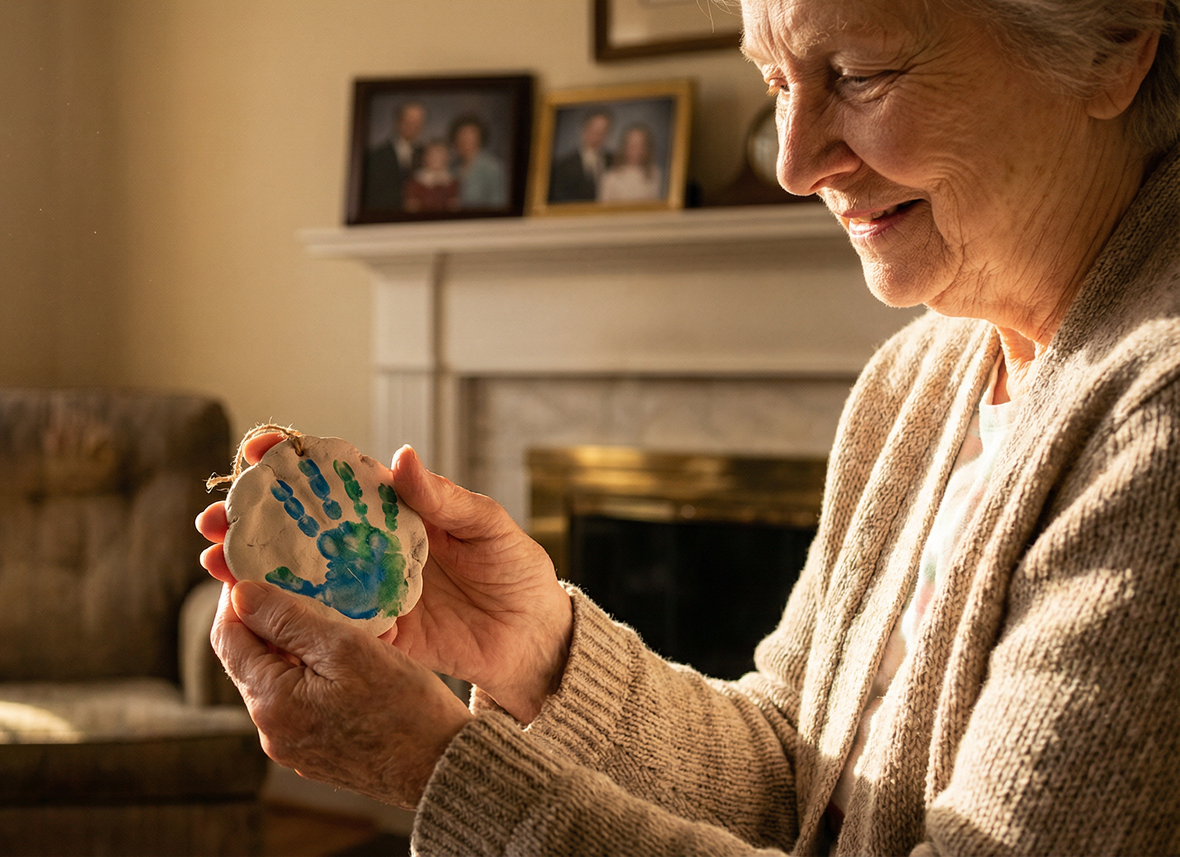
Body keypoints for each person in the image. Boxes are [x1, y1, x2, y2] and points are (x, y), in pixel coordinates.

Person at [198, 0, 1180, 853]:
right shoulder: (918, 380)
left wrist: (443, 769)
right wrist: (537, 647)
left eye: (860, 73)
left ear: (1117, 43)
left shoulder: (1159, 427)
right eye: (773, 79)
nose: (796, 163)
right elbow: (798, 780)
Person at [361, 100, 425, 212]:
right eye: (409, 121)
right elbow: (372, 195)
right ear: (398, 121)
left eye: (418, 122)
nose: (414, 126)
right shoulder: (377, 156)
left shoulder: (425, 154)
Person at [547, 108, 612, 203]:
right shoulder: (564, 165)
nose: (598, 135)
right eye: (594, 130)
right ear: (584, 129)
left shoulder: (613, 160)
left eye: (603, 131)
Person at [450, 114, 507, 209]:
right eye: (462, 134)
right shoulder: (453, 168)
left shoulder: (492, 166)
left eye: (470, 134)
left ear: (480, 137)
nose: (465, 139)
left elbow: (498, 203)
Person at [597, 123, 663, 203]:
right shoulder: (611, 176)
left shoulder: (655, 173)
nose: (636, 151)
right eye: (632, 145)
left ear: (647, 148)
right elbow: (603, 207)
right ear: (624, 147)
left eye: (640, 145)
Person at [403, 139, 460, 213]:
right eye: (432, 154)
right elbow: (411, 210)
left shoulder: (453, 182)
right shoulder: (415, 182)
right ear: (425, 157)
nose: (436, 158)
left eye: (440, 154)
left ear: (447, 157)